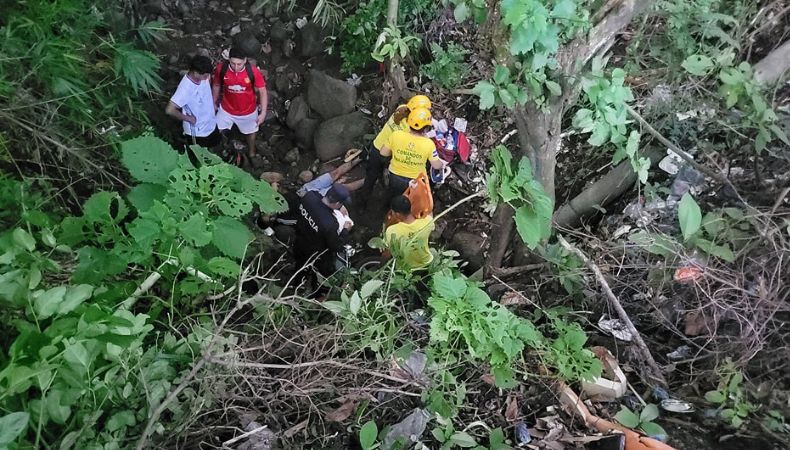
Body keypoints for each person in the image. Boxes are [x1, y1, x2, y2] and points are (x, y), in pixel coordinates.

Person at [359, 95, 432, 198]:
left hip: (377, 146)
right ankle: (384, 201)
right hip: (387, 153)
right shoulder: (409, 128)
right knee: (391, 183)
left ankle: (362, 202)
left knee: (370, 177)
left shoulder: (401, 108)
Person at [212, 47, 268, 159]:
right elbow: (217, 85)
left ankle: (252, 152)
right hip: (226, 109)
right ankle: (222, 151)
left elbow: (262, 91)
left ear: (245, 60)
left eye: (239, 64)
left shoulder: (253, 72)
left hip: (248, 111)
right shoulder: (221, 69)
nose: (236, 67)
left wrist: (263, 113)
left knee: (251, 133)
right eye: (233, 63)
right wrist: (213, 103)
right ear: (229, 60)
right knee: (217, 131)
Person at [380, 107, 444, 198]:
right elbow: (436, 166)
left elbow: (383, 153)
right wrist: (442, 164)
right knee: (411, 203)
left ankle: (391, 209)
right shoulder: (429, 144)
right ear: (426, 128)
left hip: (395, 177)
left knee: (394, 199)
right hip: (415, 181)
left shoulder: (396, 135)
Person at [293, 184, 353, 280]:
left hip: (298, 240)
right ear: (337, 203)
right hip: (314, 253)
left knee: (299, 265)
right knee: (322, 272)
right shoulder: (330, 224)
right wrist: (345, 230)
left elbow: (318, 200)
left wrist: (338, 208)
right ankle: (313, 288)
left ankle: (297, 281)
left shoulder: (309, 196)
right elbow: (336, 245)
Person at [165, 55, 220, 148]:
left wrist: (212, 103)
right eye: (205, 76)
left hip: (211, 122)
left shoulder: (204, 76)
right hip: (198, 131)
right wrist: (189, 119)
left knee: (215, 143)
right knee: (200, 154)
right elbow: (169, 110)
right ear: (195, 73)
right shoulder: (185, 89)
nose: (207, 78)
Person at [384, 195, 435, 270]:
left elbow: (388, 254)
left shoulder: (392, 231)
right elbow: (429, 211)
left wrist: (381, 264)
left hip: (407, 269)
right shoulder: (427, 223)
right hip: (426, 264)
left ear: (397, 214)